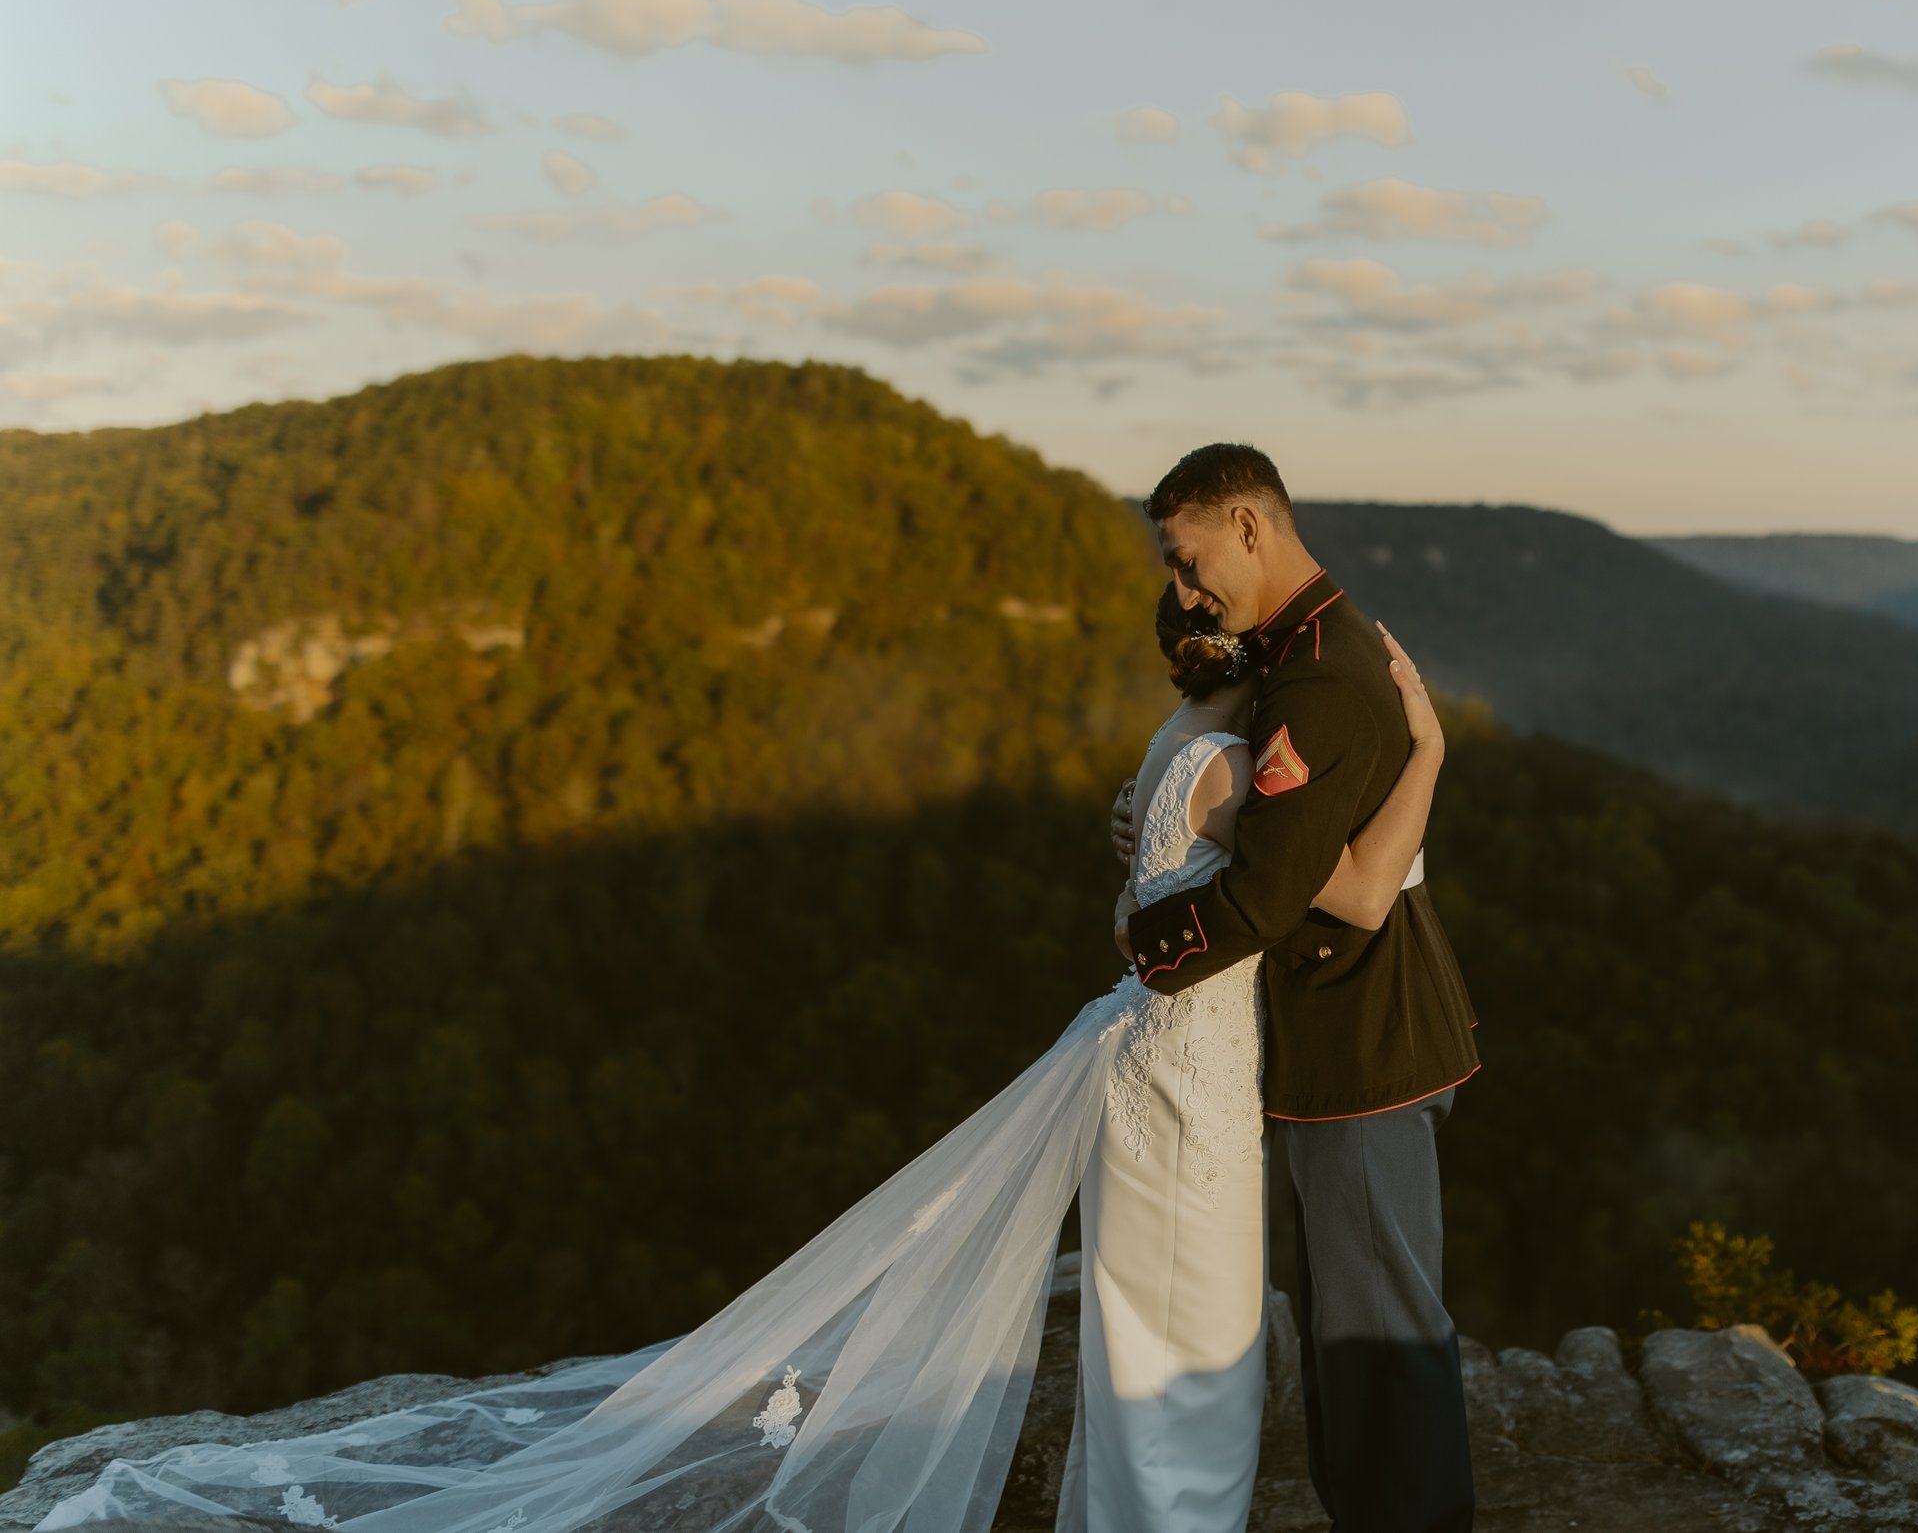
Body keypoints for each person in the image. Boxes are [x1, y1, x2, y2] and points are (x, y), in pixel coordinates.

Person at [32, 579, 1450, 1533]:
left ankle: (1148, 1504)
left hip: (1151, 1044)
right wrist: (1425, 757)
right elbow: (1335, 894)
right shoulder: (1232, 768)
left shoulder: (1162, 755)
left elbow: (1137, 910)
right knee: (1194, 1313)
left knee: (1164, 1298)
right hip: (1192, 1069)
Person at [1118, 443, 1480, 1533]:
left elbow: (1281, 896)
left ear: (1247, 524)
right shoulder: (1302, 648)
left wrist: (1147, 948)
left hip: (1362, 1044)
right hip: (1346, 1038)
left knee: (1381, 1345)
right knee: (1345, 1334)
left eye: (1188, 563)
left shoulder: (1318, 676)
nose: (1185, 593)